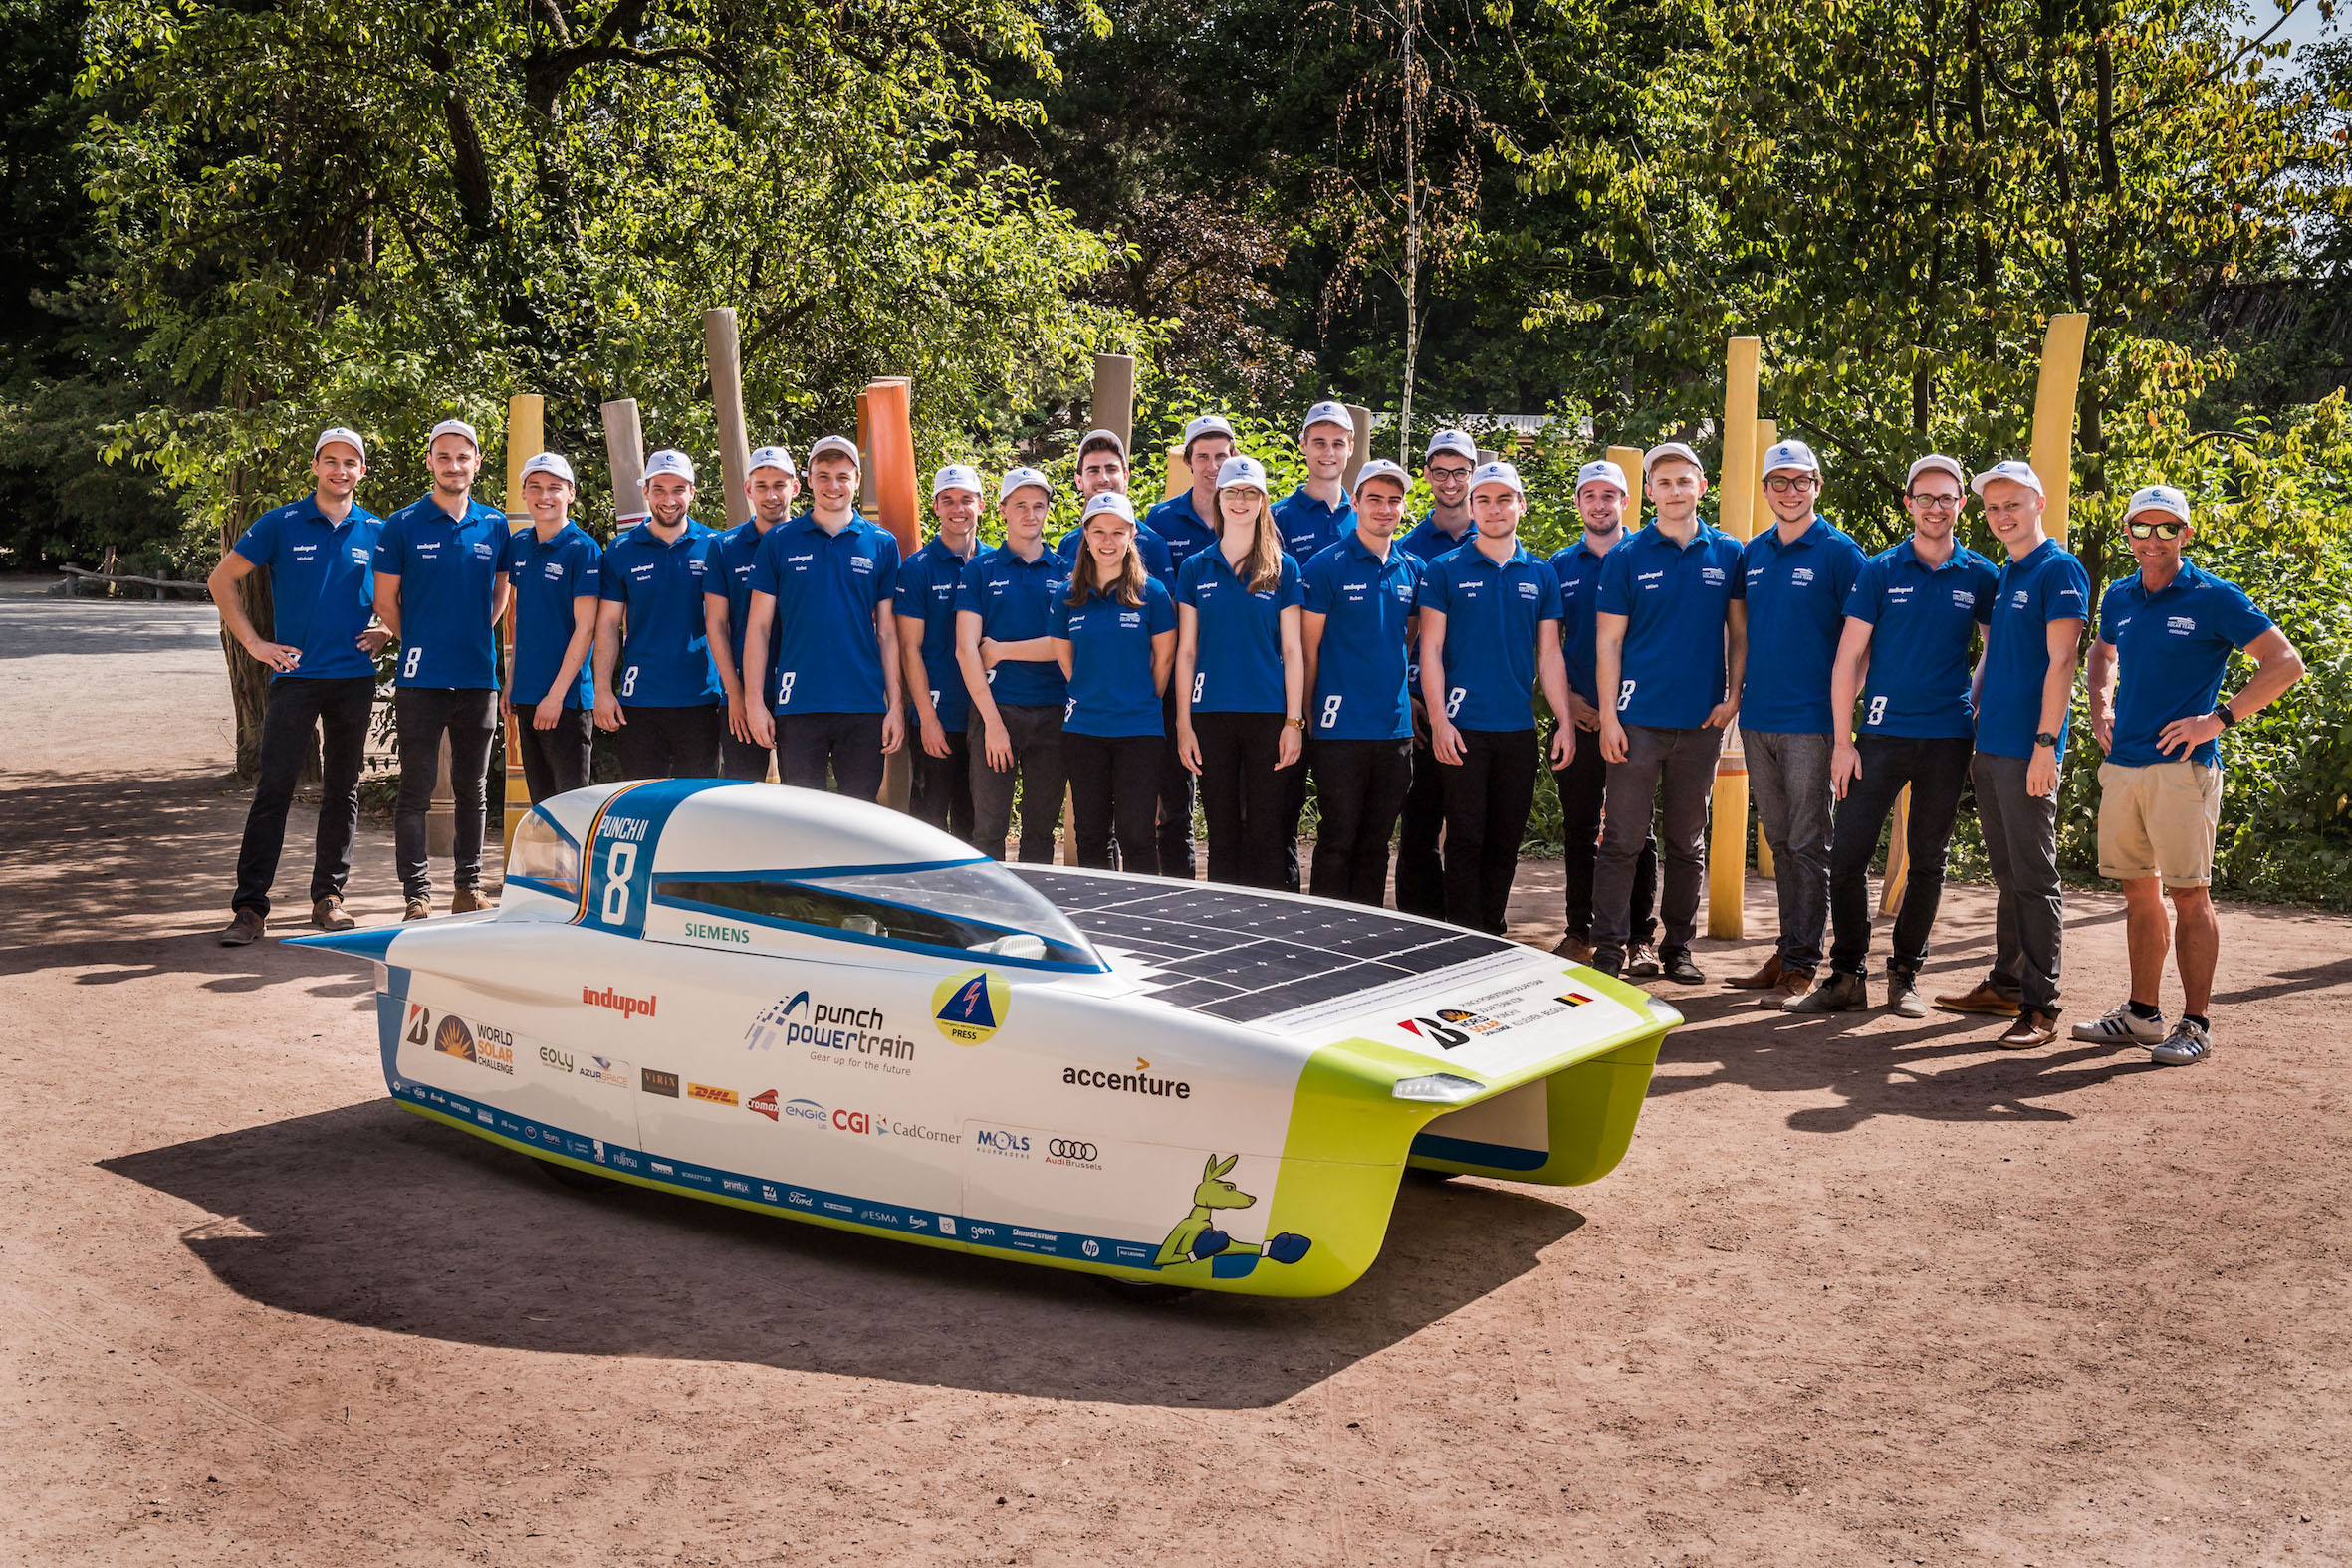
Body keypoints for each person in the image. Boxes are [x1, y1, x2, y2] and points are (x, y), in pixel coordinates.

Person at [2076, 484, 2305, 1065]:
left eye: (2166, 528)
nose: (2153, 540)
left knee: (2188, 894)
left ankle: (2195, 1025)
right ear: (2127, 533)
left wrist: (2217, 720)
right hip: (2123, 765)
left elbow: (2285, 664)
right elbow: (2100, 654)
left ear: (2186, 533)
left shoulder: (2212, 596)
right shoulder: (2121, 596)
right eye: (2141, 528)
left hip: (2183, 771)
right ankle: (2141, 1015)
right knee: (2138, 891)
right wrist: (2100, 705)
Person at [1790, 456, 1999, 1016]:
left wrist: (1972, 702)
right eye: (1925, 497)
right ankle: (1847, 975)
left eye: (1947, 498)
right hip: (1877, 739)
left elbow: (1997, 649)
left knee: (1928, 861)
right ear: (1908, 504)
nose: (1936, 507)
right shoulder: (1880, 570)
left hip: (1948, 740)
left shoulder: (1981, 574)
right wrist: (1842, 740)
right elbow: (1847, 658)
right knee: (1849, 856)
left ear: (1962, 505)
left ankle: (1905, 975)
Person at [1932, 459, 2090, 1047]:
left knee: (2034, 878)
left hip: (2029, 749)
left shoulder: (2058, 569)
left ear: (2040, 501)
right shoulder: (2010, 573)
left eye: (2013, 504)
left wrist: (2046, 744)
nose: (2003, 515)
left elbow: (2063, 662)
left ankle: (2041, 1006)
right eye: (1994, 507)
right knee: (2008, 876)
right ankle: (2005, 984)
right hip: (1992, 744)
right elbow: (1996, 658)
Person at [210, 426, 389, 944]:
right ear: (315, 466)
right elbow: (221, 580)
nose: (340, 470)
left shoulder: (378, 530)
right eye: (330, 461)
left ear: (361, 470)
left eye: (350, 462)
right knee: (275, 789)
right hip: (294, 679)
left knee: (343, 790)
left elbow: (405, 595)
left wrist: (388, 629)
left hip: (353, 679)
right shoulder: (281, 523)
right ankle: (249, 909)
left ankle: (328, 899)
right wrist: (254, 644)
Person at [1589, 442, 1747, 982]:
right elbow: (1607, 642)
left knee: (1687, 843)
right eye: (1664, 482)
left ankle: (1678, 947)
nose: (1675, 491)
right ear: (1649, 492)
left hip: (1701, 725)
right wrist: (1609, 717)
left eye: (1685, 481)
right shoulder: (1626, 556)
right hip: (1636, 723)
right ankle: (1608, 948)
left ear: (1702, 486)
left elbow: (1739, 635)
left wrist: (1733, 698)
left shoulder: (1729, 553)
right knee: (1622, 842)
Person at [1722, 440, 1868, 1008]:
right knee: (1781, 841)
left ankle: (1805, 963)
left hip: (1812, 724)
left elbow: (1865, 645)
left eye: (1799, 481)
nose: (1789, 491)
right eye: (1778, 482)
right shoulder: (1752, 553)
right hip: (1759, 719)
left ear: (1817, 486)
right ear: (1765, 490)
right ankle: (1790, 948)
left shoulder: (1840, 553)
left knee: (1809, 842)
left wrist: (1841, 720)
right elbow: (1742, 633)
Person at [1416, 461, 1574, 936]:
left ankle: (1492, 930)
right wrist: (1441, 721)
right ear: (1471, 506)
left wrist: (1565, 721)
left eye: (1504, 498)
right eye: (1482, 499)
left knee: (1505, 839)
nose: (1493, 508)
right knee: (1464, 837)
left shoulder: (1541, 575)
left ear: (1520, 506)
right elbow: (1431, 650)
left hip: (1517, 731)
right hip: (1462, 729)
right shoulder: (1444, 570)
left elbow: (1549, 656)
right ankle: (1463, 933)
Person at [373, 418, 512, 920]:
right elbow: (386, 601)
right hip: (420, 678)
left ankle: (467, 888)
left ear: (477, 463)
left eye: (463, 457)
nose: (454, 465)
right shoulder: (402, 524)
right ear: (430, 461)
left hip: (478, 677)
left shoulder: (495, 524)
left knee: (472, 789)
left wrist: (473, 632)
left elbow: (501, 593)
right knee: (416, 788)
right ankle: (416, 895)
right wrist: (424, 639)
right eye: (444, 456)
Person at [1055, 427, 1188, 876]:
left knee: (1135, 833)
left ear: (1132, 535)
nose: (1107, 540)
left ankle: (1143, 920)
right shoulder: (1067, 595)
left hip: (1139, 729)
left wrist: (1137, 696)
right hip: (1085, 727)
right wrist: (1091, 690)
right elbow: (1066, 658)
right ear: (1085, 535)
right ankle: (1096, 920)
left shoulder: (1152, 594)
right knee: (1090, 833)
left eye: (1117, 531)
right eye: (1098, 531)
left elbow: (1164, 660)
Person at [743, 435, 904, 797]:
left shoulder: (881, 543)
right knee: (802, 821)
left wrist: (895, 705)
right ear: (809, 480)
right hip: (798, 702)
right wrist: (755, 701)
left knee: (859, 818)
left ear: (857, 480)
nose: (834, 485)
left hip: (862, 703)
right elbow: (759, 628)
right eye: (824, 475)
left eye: (843, 476)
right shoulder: (779, 540)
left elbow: (888, 634)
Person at [1173, 454, 1305, 888]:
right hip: (1211, 715)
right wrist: (1184, 724)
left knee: (1267, 828)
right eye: (1232, 491)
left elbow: (1292, 649)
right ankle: (1222, 921)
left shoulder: (1284, 568)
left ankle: (1266, 923)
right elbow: (1187, 652)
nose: (1240, 500)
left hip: (1268, 715)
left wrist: (1293, 721)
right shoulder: (1195, 568)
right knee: (1222, 826)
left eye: (1250, 493)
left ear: (1263, 502)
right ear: (1219, 498)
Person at [1547, 458, 1659, 966]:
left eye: (1609, 495)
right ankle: (1580, 930)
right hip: (1576, 714)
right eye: (1589, 495)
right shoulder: (1559, 566)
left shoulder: (1646, 555)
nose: (1599, 504)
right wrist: (1566, 703)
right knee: (1579, 825)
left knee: (1636, 829)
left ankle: (1639, 937)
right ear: (1578, 504)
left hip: (1637, 717)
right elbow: (1543, 646)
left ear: (1626, 502)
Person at [1300, 458, 1424, 906]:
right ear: (1356, 502)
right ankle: (1325, 939)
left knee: (1376, 844)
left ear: (1404, 507)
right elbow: (1308, 650)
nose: (1385, 508)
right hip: (1339, 729)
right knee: (1337, 840)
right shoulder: (1324, 565)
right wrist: (1307, 716)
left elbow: (1407, 637)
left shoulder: (1413, 567)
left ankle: (1364, 934)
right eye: (1374, 498)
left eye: (1394, 500)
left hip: (1393, 731)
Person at [1393, 427, 1482, 919]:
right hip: (1419, 709)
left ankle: (1471, 925)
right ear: (1426, 475)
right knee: (1419, 826)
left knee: (1472, 829)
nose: (1451, 481)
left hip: (1478, 709)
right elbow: (1398, 634)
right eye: (1441, 471)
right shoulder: (1407, 546)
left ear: (1471, 474)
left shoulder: (1493, 535)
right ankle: (1418, 925)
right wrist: (1408, 694)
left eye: (1460, 472)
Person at [959, 468, 1068, 861]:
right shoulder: (980, 570)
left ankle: (1033, 919)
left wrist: (1003, 649)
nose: (1029, 514)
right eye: (1020, 505)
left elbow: (1064, 646)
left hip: (1054, 712)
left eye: (1038, 505)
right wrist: (991, 723)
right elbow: (966, 649)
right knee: (988, 831)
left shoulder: (1067, 571)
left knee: (1040, 832)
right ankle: (987, 921)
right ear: (1002, 509)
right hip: (997, 710)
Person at [593, 448, 722, 781]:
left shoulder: (716, 545)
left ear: (692, 492)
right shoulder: (621, 550)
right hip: (641, 700)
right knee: (642, 806)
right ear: (646, 491)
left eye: (678, 489)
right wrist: (603, 690)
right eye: (660, 489)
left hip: (702, 698)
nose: (669, 499)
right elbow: (607, 624)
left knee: (696, 808)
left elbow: (729, 623)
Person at [501, 452, 600, 803]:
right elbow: (521, 619)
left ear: (570, 493)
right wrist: (511, 680)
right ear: (524, 493)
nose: (544, 495)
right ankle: (547, 864)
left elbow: (585, 629)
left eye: (554, 488)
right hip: (526, 696)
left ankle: (574, 864)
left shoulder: (583, 549)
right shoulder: (519, 545)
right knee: (542, 807)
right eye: (535, 487)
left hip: (566, 701)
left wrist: (555, 696)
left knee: (571, 809)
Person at [896, 463, 984, 841]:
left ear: (981, 504)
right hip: (937, 716)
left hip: (984, 717)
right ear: (935, 507)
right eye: (947, 500)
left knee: (975, 821)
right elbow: (909, 649)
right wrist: (927, 719)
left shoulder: (992, 563)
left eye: (966, 499)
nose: (957, 508)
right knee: (929, 821)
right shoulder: (917, 568)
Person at [702, 445, 800, 782]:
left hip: (802, 691)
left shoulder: (809, 542)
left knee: (801, 796)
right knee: (743, 796)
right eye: (761, 486)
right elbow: (715, 625)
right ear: (748, 489)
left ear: (795, 487)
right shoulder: (724, 546)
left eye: (779, 485)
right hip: (742, 690)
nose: (771, 495)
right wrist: (736, 694)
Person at [1143, 414, 1237, 581]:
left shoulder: (1248, 516)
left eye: (1220, 456)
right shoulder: (1160, 518)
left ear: (1233, 457)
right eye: (1203, 457)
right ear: (1187, 460)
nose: (1213, 467)